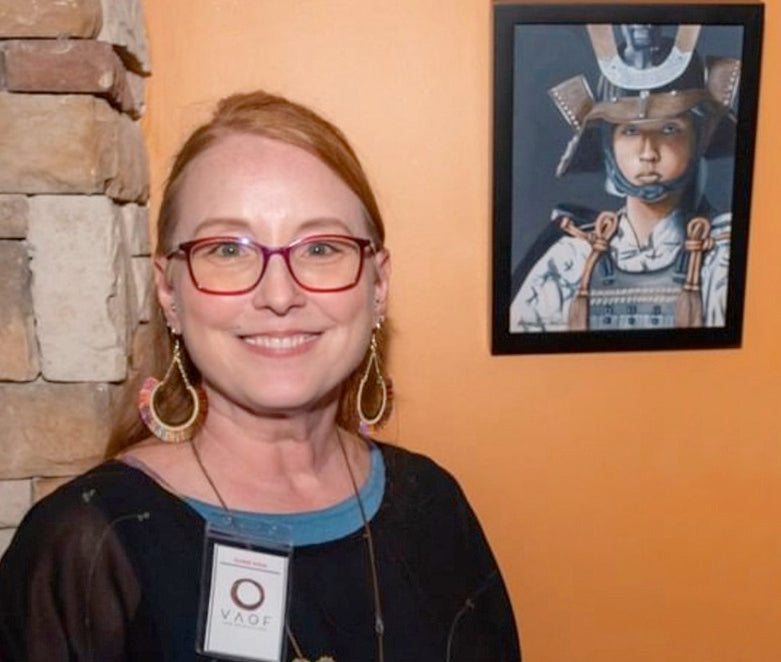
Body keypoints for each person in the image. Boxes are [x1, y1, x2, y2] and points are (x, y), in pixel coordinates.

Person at [0, 91, 521, 661]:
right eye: (228, 249)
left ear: (379, 284)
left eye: (321, 247)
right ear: (169, 291)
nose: (279, 295)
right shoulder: (86, 546)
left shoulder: (433, 506)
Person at [510, 24, 739, 332]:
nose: (648, 151)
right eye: (630, 131)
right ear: (608, 144)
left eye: (670, 129)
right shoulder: (569, 261)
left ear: (700, 137)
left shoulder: (722, 258)